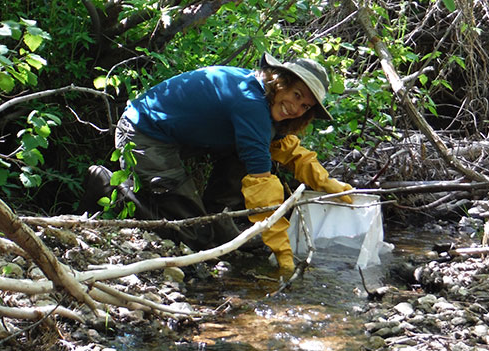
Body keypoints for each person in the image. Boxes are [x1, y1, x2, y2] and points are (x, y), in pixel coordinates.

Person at [110, 52, 353, 274]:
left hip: (178, 137)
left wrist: (326, 183)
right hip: (141, 133)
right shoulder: (251, 102)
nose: (296, 108)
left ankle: (217, 219)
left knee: (250, 154)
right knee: (193, 234)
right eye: (296, 95)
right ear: (280, 83)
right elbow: (263, 188)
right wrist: (283, 252)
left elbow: (287, 149)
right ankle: (108, 185)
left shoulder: (264, 102)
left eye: (305, 106)